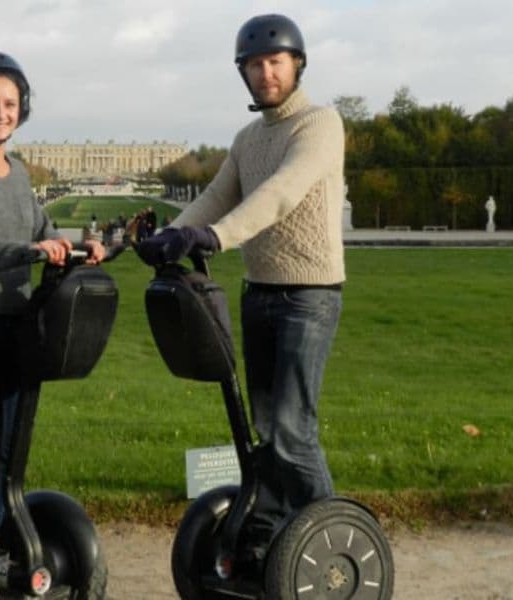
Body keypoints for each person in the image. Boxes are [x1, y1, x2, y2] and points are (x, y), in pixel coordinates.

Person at [139, 14, 345, 539]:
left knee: (293, 431)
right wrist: (170, 236)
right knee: (264, 429)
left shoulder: (320, 124)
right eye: (254, 65)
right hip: (260, 293)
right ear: (244, 73)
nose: (265, 74)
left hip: (309, 295)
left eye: (275, 62)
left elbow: (282, 192)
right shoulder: (247, 138)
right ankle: (272, 535)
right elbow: (215, 197)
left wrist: (214, 237)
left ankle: (328, 541)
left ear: (296, 65)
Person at [0, 51, 105, 569]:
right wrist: (27, 252)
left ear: (21, 108)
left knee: (7, 445)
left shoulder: (19, 171)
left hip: (16, 321)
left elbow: (42, 230)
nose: (0, 113)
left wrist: (82, 246)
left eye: (9, 104)